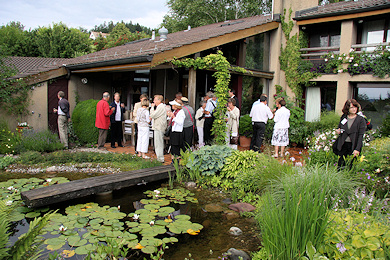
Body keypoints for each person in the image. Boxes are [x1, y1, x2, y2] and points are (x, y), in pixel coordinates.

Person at [334, 99, 366, 169]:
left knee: (351, 166)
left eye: (355, 107)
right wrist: (338, 131)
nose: (354, 109)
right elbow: (340, 127)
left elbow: (361, 136)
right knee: (340, 165)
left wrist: (357, 149)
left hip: (353, 145)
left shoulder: (360, 120)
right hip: (343, 145)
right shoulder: (344, 117)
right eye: (352, 107)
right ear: (347, 108)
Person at [150, 95, 167, 163]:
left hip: (159, 127)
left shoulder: (161, 107)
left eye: (155, 100)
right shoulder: (160, 107)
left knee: (158, 143)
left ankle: (160, 158)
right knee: (157, 143)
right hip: (158, 127)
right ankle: (159, 157)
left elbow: (153, 115)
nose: (154, 101)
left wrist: (152, 107)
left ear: (159, 100)